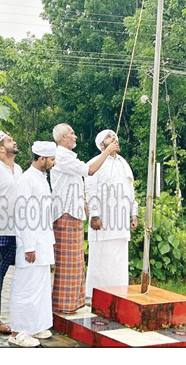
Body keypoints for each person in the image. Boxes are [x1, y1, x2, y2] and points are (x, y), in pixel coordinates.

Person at [50, 123, 119, 314]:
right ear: (63, 137)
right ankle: (62, 304)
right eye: (72, 133)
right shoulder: (62, 156)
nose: (75, 137)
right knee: (67, 262)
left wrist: (84, 202)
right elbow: (89, 170)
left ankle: (73, 302)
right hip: (65, 214)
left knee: (77, 261)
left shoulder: (67, 156)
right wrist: (106, 153)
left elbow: (73, 183)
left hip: (74, 211)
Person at [9, 141, 56, 347]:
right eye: (52, 159)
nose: (54, 163)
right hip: (31, 245)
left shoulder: (42, 179)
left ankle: (35, 326)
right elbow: (23, 215)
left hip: (43, 243)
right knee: (25, 288)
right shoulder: (26, 179)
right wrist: (29, 246)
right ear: (42, 158)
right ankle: (18, 332)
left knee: (40, 287)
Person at [85, 129, 138, 296]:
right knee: (101, 261)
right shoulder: (94, 163)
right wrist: (94, 215)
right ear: (102, 145)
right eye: (108, 137)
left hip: (121, 224)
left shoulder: (124, 164)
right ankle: (95, 296)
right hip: (102, 222)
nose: (114, 137)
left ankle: (120, 295)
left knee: (119, 262)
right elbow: (90, 190)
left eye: (114, 135)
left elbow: (130, 191)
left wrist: (133, 213)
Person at [0, 130, 22, 335]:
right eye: (10, 140)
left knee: (9, 276)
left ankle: (0, 317)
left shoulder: (18, 168)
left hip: (16, 231)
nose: (14, 141)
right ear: (0, 148)